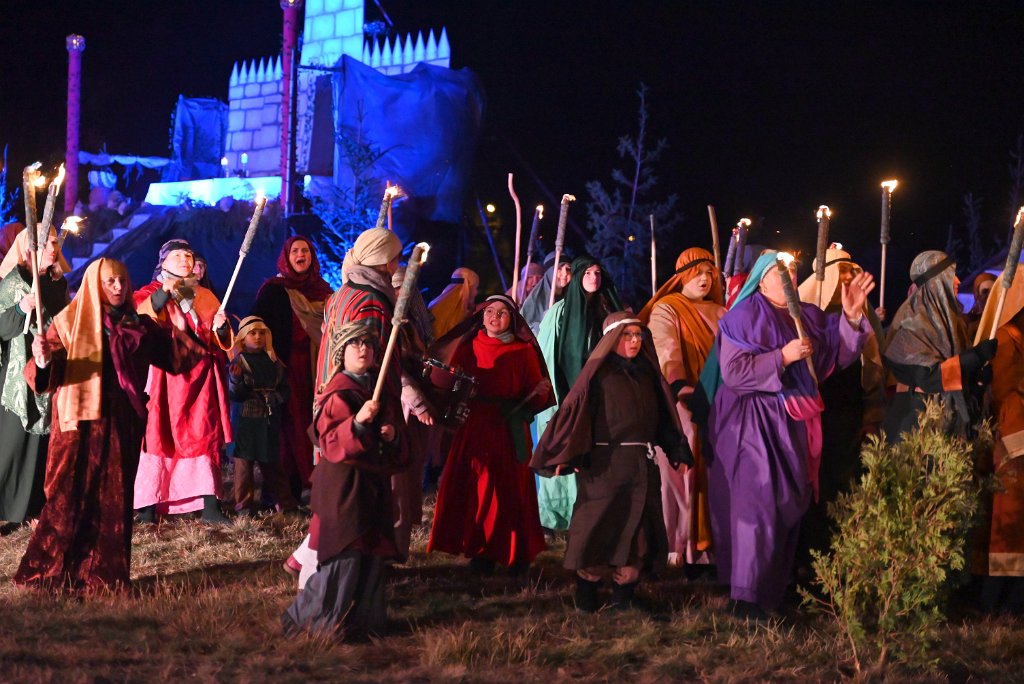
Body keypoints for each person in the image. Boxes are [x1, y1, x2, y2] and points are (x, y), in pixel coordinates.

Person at [702, 251, 874, 618]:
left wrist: (851, 316)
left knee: (785, 506)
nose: (789, 274)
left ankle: (771, 591)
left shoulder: (807, 315)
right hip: (753, 423)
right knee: (757, 504)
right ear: (761, 281)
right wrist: (782, 357)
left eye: (793, 269)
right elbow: (734, 373)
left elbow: (832, 358)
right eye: (780, 270)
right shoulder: (742, 316)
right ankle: (745, 598)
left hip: (793, 423)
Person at [14, 258, 200, 590]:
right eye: (110, 282)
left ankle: (103, 577)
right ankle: (49, 573)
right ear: (94, 285)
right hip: (78, 425)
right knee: (67, 498)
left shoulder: (139, 325)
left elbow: (176, 360)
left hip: (120, 424)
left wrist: (182, 330)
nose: (118, 287)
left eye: (122, 281)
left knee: (113, 503)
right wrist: (43, 361)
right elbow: (46, 374)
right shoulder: (69, 322)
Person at [532, 312, 693, 611]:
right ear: (612, 339)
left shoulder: (647, 376)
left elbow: (662, 418)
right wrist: (568, 455)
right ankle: (587, 594)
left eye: (638, 335)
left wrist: (676, 450)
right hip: (605, 468)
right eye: (627, 335)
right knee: (598, 529)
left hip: (642, 467)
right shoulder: (596, 377)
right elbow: (576, 418)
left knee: (639, 533)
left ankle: (624, 596)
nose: (634, 341)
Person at [282, 320, 407, 638]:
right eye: (355, 344)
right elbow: (330, 443)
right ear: (342, 353)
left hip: (373, 488)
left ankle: (365, 625)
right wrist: (358, 424)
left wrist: (391, 435)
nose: (363, 349)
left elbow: (401, 442)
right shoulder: (338, 394)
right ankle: (313, 624)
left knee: (372, 556)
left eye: (367, 344)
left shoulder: (379, 389)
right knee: (344, 557)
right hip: (344, 489)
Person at [427, 294, 554, 575]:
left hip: (509, 431)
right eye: (489, 311)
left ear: (513, 319)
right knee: (478, 487)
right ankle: (481, 551)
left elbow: (535, 398)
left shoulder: (524, 351)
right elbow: (453, 386)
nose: (494, 316)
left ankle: (515, 553)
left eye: (502, 312)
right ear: (481, 316)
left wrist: (538, 392)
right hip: (475, 427)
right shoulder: (468, 347)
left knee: (510, 489)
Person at [795, 245, 885, 569]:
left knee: (844, 484)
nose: (848, 278)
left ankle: (841, 558)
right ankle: (808, 561)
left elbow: (872, 365)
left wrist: (872, 415)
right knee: (811, 488)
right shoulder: (805, 312)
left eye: (851, 271)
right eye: (841, 271)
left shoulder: (860, 312)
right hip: (812, 414)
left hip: (847, 415)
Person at [133, 239, 233, 524]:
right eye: (177, 255)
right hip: (165, 377)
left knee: (203, 434)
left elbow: (220, 340)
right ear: (163, 262)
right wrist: (163, 293)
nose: (185, 259)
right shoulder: (149, 292)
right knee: (158, 435)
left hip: (200, 379)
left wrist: (221, 328)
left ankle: (210, 506)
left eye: (188, 255)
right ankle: (148, 506)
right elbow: (141, 320)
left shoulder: (204, 296)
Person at [638, 247, 725, 567]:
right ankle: (680, 546)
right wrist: (680, 387)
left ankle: (714, 545)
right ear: (683, 275)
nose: (704, 279)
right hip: (683, 403)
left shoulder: (722, 312)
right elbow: (667, 351)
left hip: (720, 402)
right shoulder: (667, 308)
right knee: (683, 472)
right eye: (698, 272)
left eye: (709, 273)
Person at [534, 256, 623, 531]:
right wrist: (556, 399)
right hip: (568, 394)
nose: (594, 278)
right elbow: (547, 355)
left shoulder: (608, 309)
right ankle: (558, 516)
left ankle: (596, 513)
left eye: (598, 273)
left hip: (603, 395)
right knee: (565, 451)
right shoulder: (560, 312)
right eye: (588, 273)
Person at [251, 236, 333, 500]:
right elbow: (258, 327)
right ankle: (289, 487)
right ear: (286, 257)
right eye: (295, 251)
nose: (301, 255)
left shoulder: (323, 291)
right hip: (286, 369)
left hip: (318, 369)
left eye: (305, 250)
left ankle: (318, 481)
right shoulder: (274, 290)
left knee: (317, 421)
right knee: (290, 426)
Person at [882, 250, 995, 440]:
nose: (958, 281)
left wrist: (977, 380)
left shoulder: (954, 324)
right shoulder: (911, 325)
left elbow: (957, 374)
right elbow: (928, 377)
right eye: (951, 275)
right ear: (935, 284)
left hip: (950, 427)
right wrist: (974, 357)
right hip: (916, 428)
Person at [0, 228, 70, 525]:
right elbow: (2, 327)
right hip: (17, 374)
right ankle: (6, 508)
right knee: (13, 444)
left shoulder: (57, 283)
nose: (53, 247)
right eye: (46, 243)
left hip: (47, 369)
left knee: (41, 444)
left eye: (55, 242)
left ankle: (33, 508)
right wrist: (21, 307)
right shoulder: (14, 282)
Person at [972, 267, 1024, 613]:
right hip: (1012, 439)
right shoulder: (1005, 338)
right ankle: (998, 601)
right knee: (1009, 517)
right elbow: (1005, 391)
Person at [228, 316, 296, 515]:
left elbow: (284, 389)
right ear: (243, 337)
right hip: (246, 421)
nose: (258, 337)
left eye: (261, 333)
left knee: (273, 464)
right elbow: (235, 395)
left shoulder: (274, 362)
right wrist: (235, 379)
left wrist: (276, 398)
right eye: (252, 333)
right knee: (244, 466)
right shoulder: (239, 362)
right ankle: (243, 507)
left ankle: (285, 504)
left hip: (268, 420)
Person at [520, 252, 572, 334]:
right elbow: (525, 329)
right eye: (559, 268)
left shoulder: (572, 294)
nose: (565, 273)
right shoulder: (536, 300)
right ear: (550, 272)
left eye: (568, 269)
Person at [428, 267, 479, 340]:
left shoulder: (435, 306)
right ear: (466, 288)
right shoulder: (440, 309)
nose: (476, 292)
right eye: (475, 288)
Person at [964, 271, 997, 342]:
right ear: (977, 295)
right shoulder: (968, 321)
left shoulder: (1007, 317)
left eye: (994, 290)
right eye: (985, 291)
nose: (990, 295)